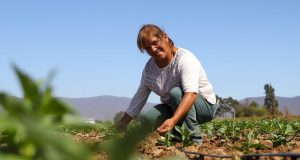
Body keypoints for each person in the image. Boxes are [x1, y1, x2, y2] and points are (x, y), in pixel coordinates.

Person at [116, 24, 218, 144]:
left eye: (155, 43)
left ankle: (194, 139)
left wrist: (173, 120)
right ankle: (176, 135)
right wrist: (122, 123)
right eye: (148, 48)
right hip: (174, 106)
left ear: (165, 37)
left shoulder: (185, 59)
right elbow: (139, 97)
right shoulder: (149, 69)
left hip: (204, 106)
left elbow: (191, 94)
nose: (153, 49)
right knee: (149, 118)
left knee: (176, 93)